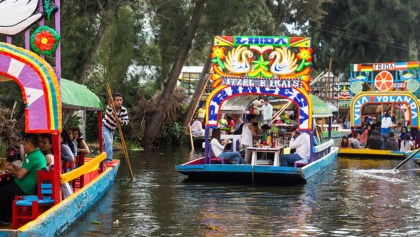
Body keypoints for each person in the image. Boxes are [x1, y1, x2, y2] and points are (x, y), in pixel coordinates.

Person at [0, 134, 47, 225]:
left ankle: (5, 218)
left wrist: (12, 169)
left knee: (2, 190)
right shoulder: (39, 155)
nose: (23, 147)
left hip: (25, 188)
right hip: (28, 185)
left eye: (24, 144)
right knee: (4, 183)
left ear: (30, 144)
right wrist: (13, 166)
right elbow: (24, 170)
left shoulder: (31, 157)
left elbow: (20, 175)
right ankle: (7, 215)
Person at [102, 92, 129, 162]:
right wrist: (109, 103)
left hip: (112, 129)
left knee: (106, 144)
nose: (119, 102)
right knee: (108, 142)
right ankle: (108, 160)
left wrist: (121, 121)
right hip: (104, 126)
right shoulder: (111, 107)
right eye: (117, 100)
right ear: (114, 101)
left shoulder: (124, 110)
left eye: (120, 100)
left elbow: (126, 121)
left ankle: (103, 160)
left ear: (122, 101)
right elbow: (108, 112)